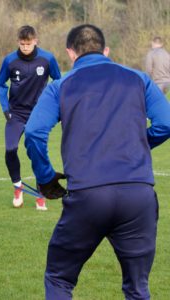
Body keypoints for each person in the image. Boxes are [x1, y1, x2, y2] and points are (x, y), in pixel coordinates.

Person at [24, 24, 170, 299]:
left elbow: (34, 132)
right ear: (106, 51)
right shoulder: (138, 78)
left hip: (89, 194)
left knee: (59, 278)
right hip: (138, 194)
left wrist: (45, 178)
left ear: (70, 53)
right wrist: (136, 146)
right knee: (138, 288)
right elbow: (166, 123)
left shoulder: (61, 85)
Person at [0, 25, 61, 211]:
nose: (25, 47)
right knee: (10, 149)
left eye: (29, 44)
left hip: (38, 114)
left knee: (37, 153)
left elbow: (58, 81)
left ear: (35, 41)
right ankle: (18, 187)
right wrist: (5, 107)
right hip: (15, 114)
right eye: (22, 44)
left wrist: (53, 105)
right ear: (18, 42)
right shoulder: (9, 60)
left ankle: (42, 193)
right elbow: (0, 84)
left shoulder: (47, 59)